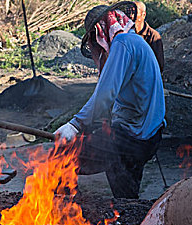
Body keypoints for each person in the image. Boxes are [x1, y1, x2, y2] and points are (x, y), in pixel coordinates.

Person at [54, 5, 166, 199]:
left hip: (132, 135)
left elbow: (106, 94)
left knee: (63, 156)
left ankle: (68, 209)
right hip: (149, 135)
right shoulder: (135, 42)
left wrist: (75, 125)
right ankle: (130, 217)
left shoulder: (123, 43)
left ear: (100, 31)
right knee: (126, 196)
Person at [132, 1, 164, 73]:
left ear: (143, 15)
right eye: (130, 12)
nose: (131, 15)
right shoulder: (127, 33)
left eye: (135, 12)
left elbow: (159, 66)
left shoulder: (154, 36)